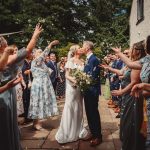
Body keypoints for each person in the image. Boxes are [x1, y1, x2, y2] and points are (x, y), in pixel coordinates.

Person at [0, 24, 42, 150]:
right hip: (6, 94)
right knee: (5, 123)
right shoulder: (10, 58)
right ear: (3, 45)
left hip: (7, 91)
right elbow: (28, 50)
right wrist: (35, 35)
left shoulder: (8, 57)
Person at [111, 36, 150, 149]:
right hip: (146, 101)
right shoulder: (146, 60)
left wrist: (142, 85)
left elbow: (134, 81)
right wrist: (119, 53)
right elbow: (130, 64)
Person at [55, 45, 87, 144]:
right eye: (79, 47)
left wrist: (83, 80)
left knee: (79, 107)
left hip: (79, 88)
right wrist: (75, 80)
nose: (81, 48)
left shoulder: (82, 61)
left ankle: (77, 130)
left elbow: (84, 74)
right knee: (70, 107)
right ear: (75, 51)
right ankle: (67, 132)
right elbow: (67, 75)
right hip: (72, 87)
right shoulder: (70, 61)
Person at [28, 40, 59, 130]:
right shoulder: (35, 61)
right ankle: (36, 123)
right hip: (38, 85)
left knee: (41, 102)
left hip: (44, 84)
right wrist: (50, 44)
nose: (41, 53)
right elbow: (44, 55)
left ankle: (37, 122)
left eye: (41, 52)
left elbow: (49, 72)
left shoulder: (42, 63)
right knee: (37, 102)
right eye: (39, 52)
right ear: (34, 54)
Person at [82, 41, 102, 146]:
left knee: (93, 113)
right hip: (87, 90)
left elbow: (93, 76)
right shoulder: (88, 59)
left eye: (83, 46)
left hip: (92, 90)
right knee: (89, 113)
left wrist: (82, 79)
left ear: (88, 47)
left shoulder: (94, 59)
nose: (82, 47)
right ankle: (92, 132)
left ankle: (98, 136)